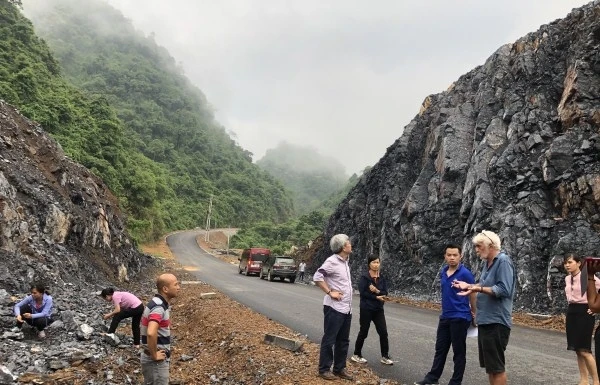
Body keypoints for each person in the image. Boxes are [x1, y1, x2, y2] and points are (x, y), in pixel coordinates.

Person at [452, 230, 516, 385]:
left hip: (497, 322)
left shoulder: (503, 261)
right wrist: (470, 285)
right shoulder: (488, 264)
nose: (476, 250)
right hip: (486, 321)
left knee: (497, 367)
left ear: (491, 245)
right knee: (491, 367)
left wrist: (478, 289)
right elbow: (485, 284)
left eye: (479, 246)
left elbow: (503, 290)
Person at [415, 244, 476, 385]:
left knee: (458, 352)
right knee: (440, 349)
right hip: (445, 316)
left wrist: (474, 313)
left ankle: (455, 382)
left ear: (460, 256)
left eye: (455, 255)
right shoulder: (443, 271)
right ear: (445, 256)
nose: (452, 258)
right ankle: (432, 378)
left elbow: (473, 293)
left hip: (460, 317)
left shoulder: (465, 273)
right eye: (449, 255)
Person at [313, 234, 354, 381]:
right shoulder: (332, 261)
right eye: (348, 242)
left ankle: (339, 368)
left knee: (343, 340)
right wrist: (330, 292)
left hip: (346, 308)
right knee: (330, 339)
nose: (351, 244)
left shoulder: (345, 261)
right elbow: (317, 277)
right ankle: (324, 369)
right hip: (334, 308)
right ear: (343, 246)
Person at [351, 254, 393, 365]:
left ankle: (385, 356)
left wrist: (376, 291)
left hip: (378, 309)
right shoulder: (365, 277)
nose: (376, 264)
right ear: (369, 264)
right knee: (364, 332)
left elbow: (385, 292)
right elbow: (363, 293)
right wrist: (375, 296)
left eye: (378, 262)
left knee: (383, 332)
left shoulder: (382, 277)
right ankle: (356, 354)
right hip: (366, 308)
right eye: (373, 262)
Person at [566, 254, 600, 385]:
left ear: (579, 263)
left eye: (570, 262)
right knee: (577, 349)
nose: (567, 265)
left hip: (584, 311)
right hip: (572, 312)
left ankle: (596, 381)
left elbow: (597, 290)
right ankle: (584, 380)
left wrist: (594, 307)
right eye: (565, 263)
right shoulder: (567, 279)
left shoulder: (588, 277)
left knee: (585, 350)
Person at [140, 273, 181, 385]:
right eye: (176, 284)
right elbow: (151, 333)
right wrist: (154, 355)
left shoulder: (158, 303)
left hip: (154, 361)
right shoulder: (159, 307)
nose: (179, 287)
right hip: (155, 363)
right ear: (165, 289)